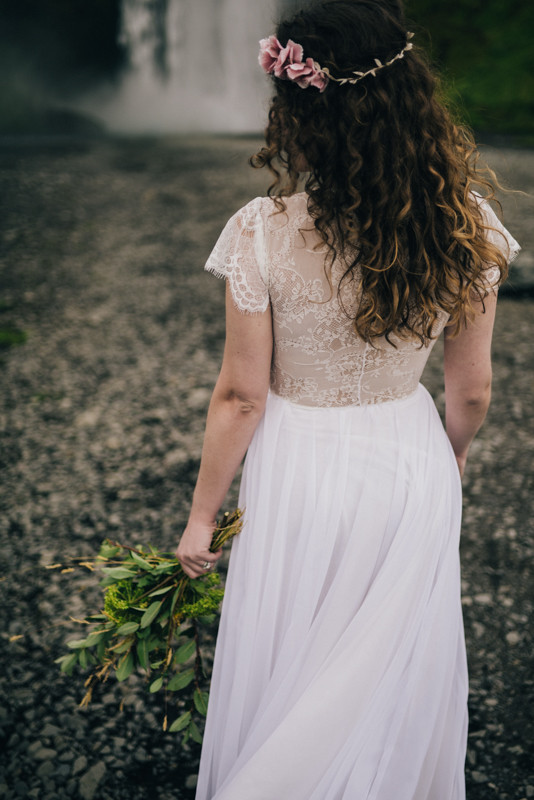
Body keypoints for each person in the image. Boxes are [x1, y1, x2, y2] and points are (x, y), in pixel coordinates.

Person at [176, 1, 520, 797]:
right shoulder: (467, 225)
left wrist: (201, 517)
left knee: (294, 653)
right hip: (408, 461)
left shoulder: (262, 231)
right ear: (411, 99)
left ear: (301, 114)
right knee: (392, 668)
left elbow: (241, 397)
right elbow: (471, 388)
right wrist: (452, 457)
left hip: (298, 464)